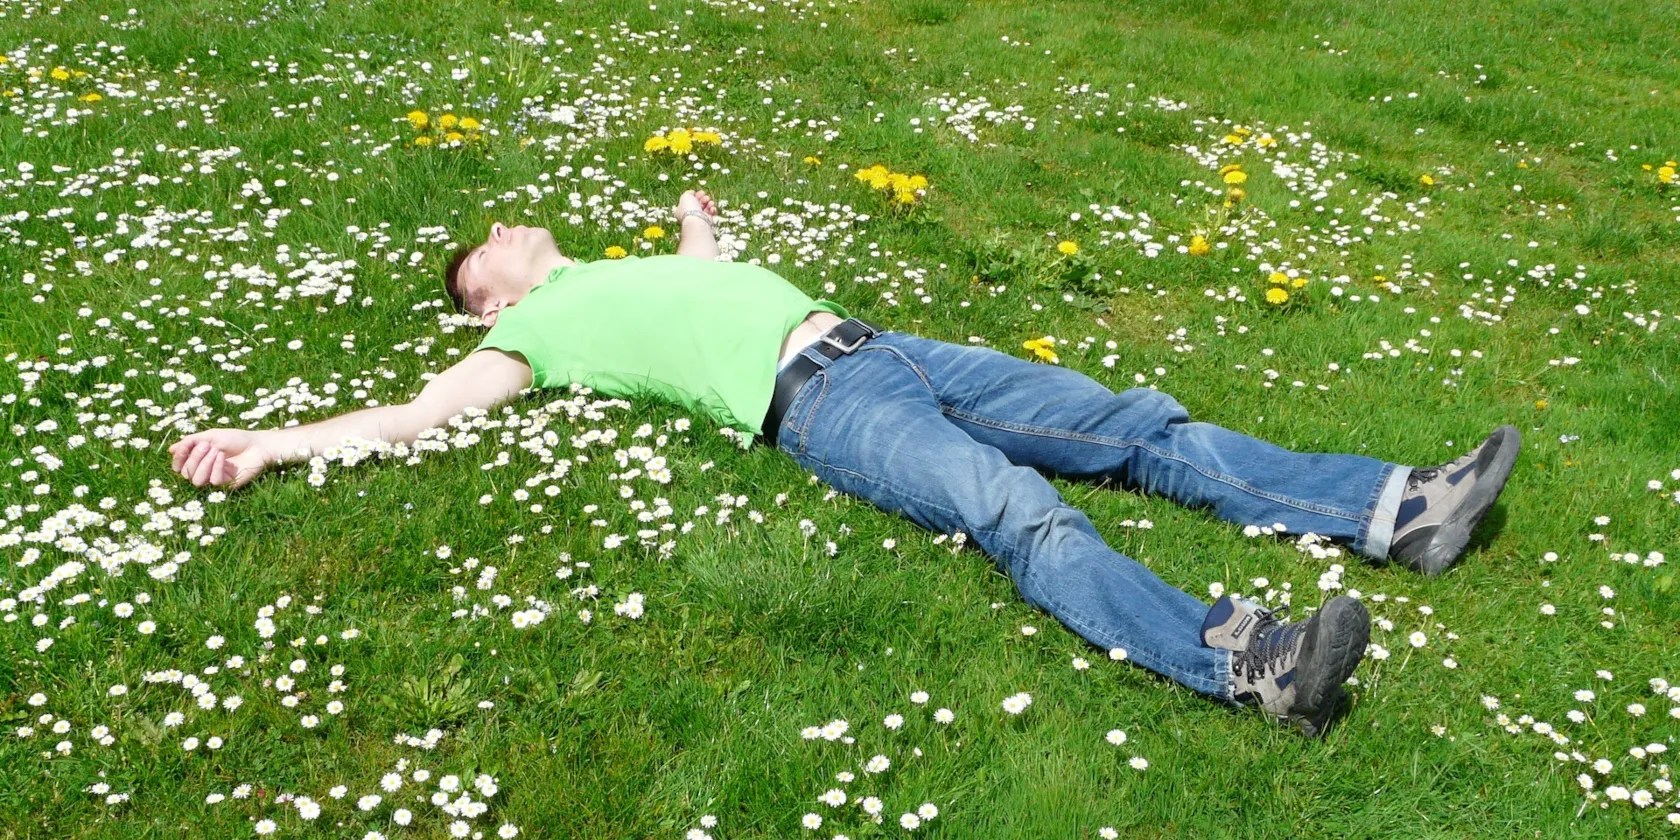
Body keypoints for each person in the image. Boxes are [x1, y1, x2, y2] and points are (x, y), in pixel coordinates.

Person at [168, 188, 1520, 736]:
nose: (512, 228)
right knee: (1016, 512)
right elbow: (409, 420)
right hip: (817, 406)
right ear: (492, 305)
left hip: (889, 347)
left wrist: (698, 221)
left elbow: (704, 275)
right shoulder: (534, 338)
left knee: (1132, 422)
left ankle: (1395, 508)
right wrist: (269, 442)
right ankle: (1251, 662)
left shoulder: (619, 269)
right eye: (489, 253)